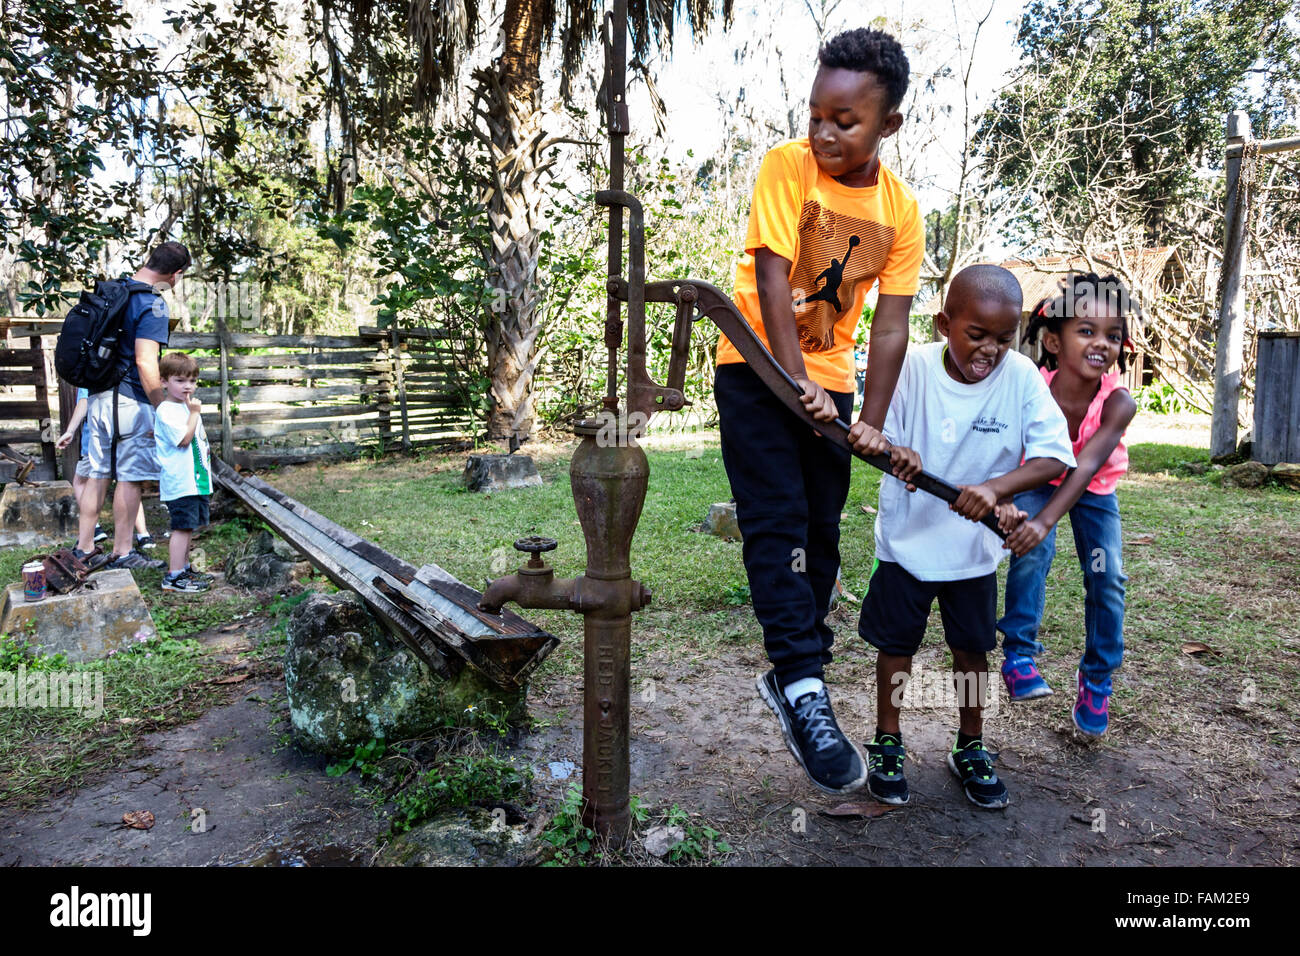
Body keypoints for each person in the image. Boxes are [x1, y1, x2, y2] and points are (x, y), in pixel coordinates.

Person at [714, 27, 923, 795]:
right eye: (817, 115)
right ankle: (804, 687)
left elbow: (891, 323)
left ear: (887, 125)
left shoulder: (900, 211)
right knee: (774, 524)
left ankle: (799, 672)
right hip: (755, 369)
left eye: (847, 121)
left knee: (820, 533)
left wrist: (867, 417)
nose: (826, 133)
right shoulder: (787, 167)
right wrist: (789, 377)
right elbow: (772, 275)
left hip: (829, 385)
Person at [853, 264, 1076, 809]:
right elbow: (876, 439)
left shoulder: (1021, 377)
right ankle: (888, 740)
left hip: (974, 554)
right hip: (907, 543)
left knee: (972, 652)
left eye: (1003, 338)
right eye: (976, 335)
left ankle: (970, 745)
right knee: (895, 649)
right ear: (943, 323)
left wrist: (994, 488)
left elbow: (1054, 457)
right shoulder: (911, 368)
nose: (990, 351)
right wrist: (894, 453)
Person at [995, 273, 1138, 738]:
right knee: (1031, 552)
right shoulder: (1033, 387)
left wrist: (1045, 520)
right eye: (1087, 331)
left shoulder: (1118, 401)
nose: (1102, 343)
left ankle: (1096, 680)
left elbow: (1086, 466)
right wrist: (1012, 505)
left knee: (1107, 576)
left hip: (1092, 487)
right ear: (1053, 342)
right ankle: (1018, 654)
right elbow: (1010, 445)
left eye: (1112, 335)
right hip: (1040, 475)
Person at [73, 241, 190, 570]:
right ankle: (122, 552)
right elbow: (145, 361)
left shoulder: (114, 290)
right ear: (175, 273)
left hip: (97, 398)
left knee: (97, 474)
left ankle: (84, 547)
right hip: (129, 401)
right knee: (130, 477)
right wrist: (162, 406)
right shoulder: (151, 302)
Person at [57, 386, 157, 551]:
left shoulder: (94, 372)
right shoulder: (126, 374)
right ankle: (142, 535)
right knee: (129, 482)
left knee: (85, 480)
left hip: (94, 440)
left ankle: (90, 535)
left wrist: (70, 430)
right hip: (126, 429)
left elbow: (84, 399)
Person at [152, 352, 212, 593]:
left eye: (192, 381)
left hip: (195, 481)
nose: (188, 386)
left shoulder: (186, 408)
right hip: (180, 481)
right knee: (181, 527)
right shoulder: (166, 410)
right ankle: (173, 576)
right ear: (164, 381)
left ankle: (185, 568)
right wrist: (195, 413)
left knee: (189, 526)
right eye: (180, 380)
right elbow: (183, 441)